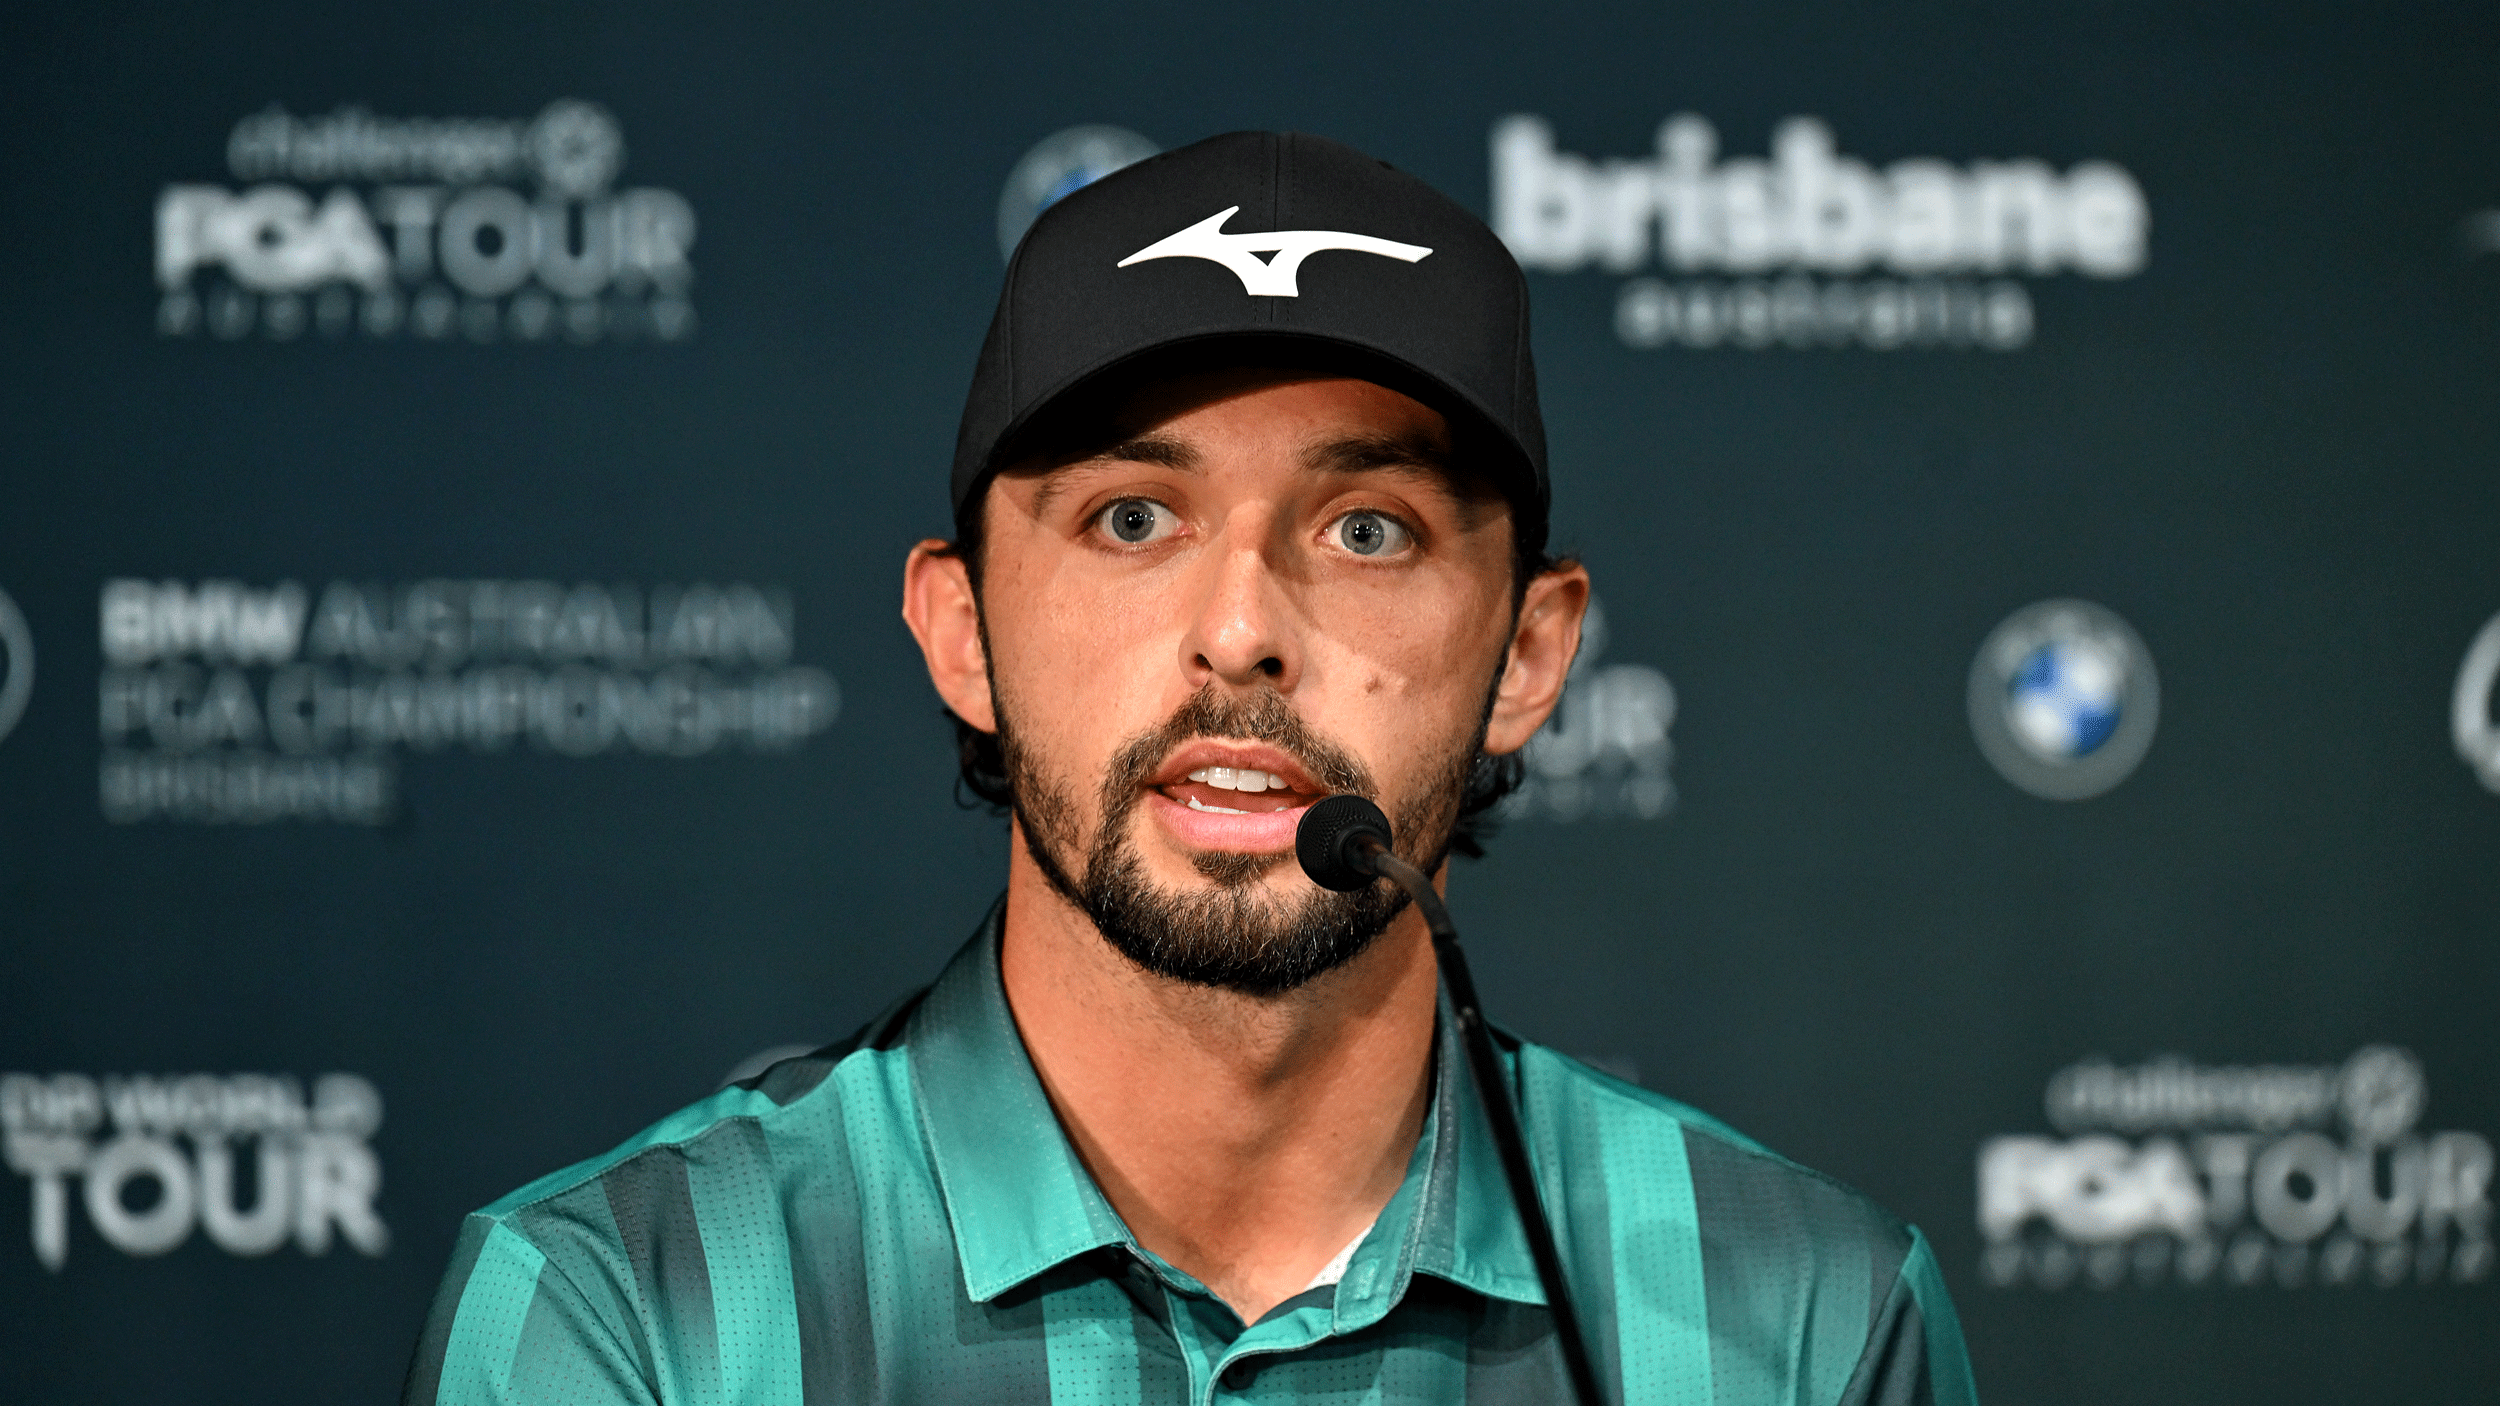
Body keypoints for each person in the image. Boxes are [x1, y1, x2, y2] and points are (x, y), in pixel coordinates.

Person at [403, 130, 1978, 1405]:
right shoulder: (634, 1314)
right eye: (1132, 519)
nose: (1239, 631)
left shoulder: (1804, 1328)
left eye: (1368, 530)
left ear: (1533, 652)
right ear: (962, 631)